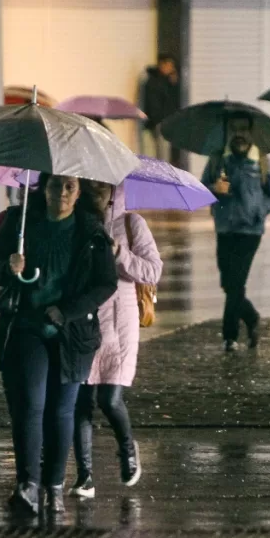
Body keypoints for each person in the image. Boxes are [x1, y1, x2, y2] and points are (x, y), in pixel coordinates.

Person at [0, 174, 118, 515]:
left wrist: (68, 311)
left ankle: (54, 486)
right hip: (28, 326)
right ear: (43, 188)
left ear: (78, 192)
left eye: (70, 186)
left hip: (72, 334)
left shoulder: (90, 231)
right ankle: (28, 483)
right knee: (30, 403)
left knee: (61, 410)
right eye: (55, 185)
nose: (62, 192)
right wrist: (8, 267)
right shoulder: (20, 221)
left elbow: (105, 284)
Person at [70, 181, 162, 499]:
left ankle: (127, 448)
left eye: (103, 182)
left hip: (120, 323)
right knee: (81, 401)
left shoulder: (131, 224)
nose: (96, 187)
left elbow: (152, 271)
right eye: (89, 181)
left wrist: (119, 252)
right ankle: (84, 476)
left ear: (114, 187)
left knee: (109, 399)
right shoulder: (75, 221)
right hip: (83, 319)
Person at [200, 113, 270, 352]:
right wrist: (214, 188)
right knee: (228, 283)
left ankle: (229, 336)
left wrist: (260, 210)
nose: (239, 134)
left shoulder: (263, 161)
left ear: (251, 132)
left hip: (250, 230)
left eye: (244, 129)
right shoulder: (217, 160)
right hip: (225, 228)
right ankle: (252, 317)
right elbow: (200, 188)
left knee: (236, 283)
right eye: (234, 129)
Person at [141, 54, 179, 162]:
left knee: (162, 155)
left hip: (163, 122)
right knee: (162, 157)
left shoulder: (166, 81)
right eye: (169, 65)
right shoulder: (154, 82)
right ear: (162, 65)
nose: (172, 69)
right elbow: (154, 104)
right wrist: (159, 120)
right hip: (159, 122)